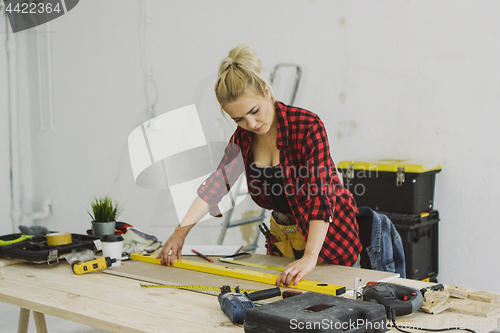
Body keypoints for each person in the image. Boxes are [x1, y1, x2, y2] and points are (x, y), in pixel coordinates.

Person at [157, 44, 362, 287]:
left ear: (266, 91)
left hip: (329, 241)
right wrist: (179, 233)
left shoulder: (307, 126)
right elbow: (217, 185)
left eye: (254, 111)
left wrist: (309, 257)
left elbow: (320, 196)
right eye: (238, 119)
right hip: (283, 241)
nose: (251, 123)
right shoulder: (243, 139)